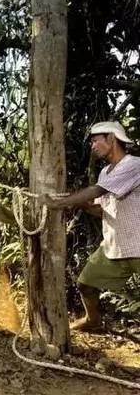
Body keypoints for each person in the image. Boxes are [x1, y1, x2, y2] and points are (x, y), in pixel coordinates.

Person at [41, 121, 140, 332]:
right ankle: (93, 320)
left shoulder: (134, 165)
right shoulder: (105, 172)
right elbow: (100, 209)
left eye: (96, 140)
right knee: (86, 283)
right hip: (115, 246)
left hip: (138, 245)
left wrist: (60, 203)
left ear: (112, 139)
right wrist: (79, 203)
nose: (92, 146)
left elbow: (96, 191)